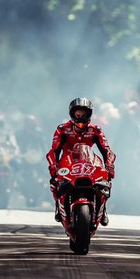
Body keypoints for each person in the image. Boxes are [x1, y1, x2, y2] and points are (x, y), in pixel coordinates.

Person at [46, 97, 116, 226]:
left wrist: (109, 166)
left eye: (84, 115)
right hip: (68, 162)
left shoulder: (96, 130)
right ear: (72, 114)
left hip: (89, 161)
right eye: (78, 115)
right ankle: (58, 205)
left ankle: (103, 208)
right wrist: (53, 167)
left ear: (89, 114)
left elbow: (107, 151)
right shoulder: (62, 129)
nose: (80, 118)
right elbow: (53, 151)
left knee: (105, 181)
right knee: (55, 182)